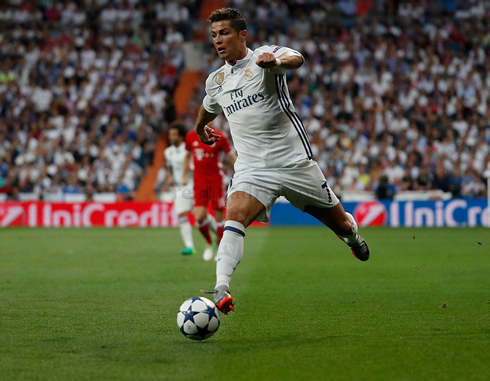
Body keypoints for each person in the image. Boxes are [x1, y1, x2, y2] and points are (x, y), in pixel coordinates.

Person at [196, 8, 371, 314]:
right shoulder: (216, 80)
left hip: (294, 164)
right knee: (233, 216)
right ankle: (221, 287)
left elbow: (297, 58)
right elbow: (208, 107)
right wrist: (199, 128)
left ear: (242, 35)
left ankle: (352, 237)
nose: (218, 40)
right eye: (214, 35)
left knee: (340, 224)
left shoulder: (264, 56)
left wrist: (275, 61)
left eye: (224, 33)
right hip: (252, 169)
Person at [183, 124, 236, 261]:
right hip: (199, 182)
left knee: (219, 217)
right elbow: (186, 155)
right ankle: (209, 242)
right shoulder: (191, 136)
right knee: (199, 217)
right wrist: (184, 174)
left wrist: (243, 171)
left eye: (210, 118)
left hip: (215, 182)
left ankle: (220, 247)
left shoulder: (220, 137)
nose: (207, 121)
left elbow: (230, 157)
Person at [164, 123, 197, 256]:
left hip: (192, 185)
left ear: (181, 136)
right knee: (197, 216)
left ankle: (216, 238)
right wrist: (170, 177)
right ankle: (190, 246)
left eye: (173, 134)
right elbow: (169, 167)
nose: (170, 137)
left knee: (199, 216)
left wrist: (190, 169)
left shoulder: (188, 150)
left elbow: (196, 166)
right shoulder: (168, 151)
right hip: (179, 188)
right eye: (170, 134)